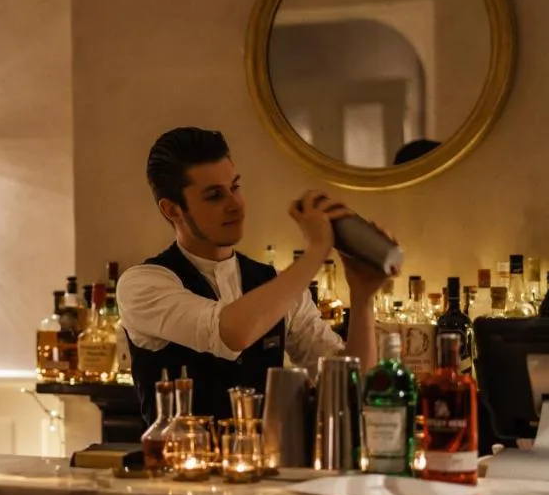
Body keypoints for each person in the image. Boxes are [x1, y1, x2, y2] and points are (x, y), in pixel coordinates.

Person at [118, 127, 393, 425]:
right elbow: (232, 332)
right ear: (172, 209)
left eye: (235, 187)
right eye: (214, 196)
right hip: (177, 457)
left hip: (266, 457)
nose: (235, 204)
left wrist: (362, 296)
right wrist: (316, 251)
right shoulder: (142, 284)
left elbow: (351, 388)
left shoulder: (275, 285)